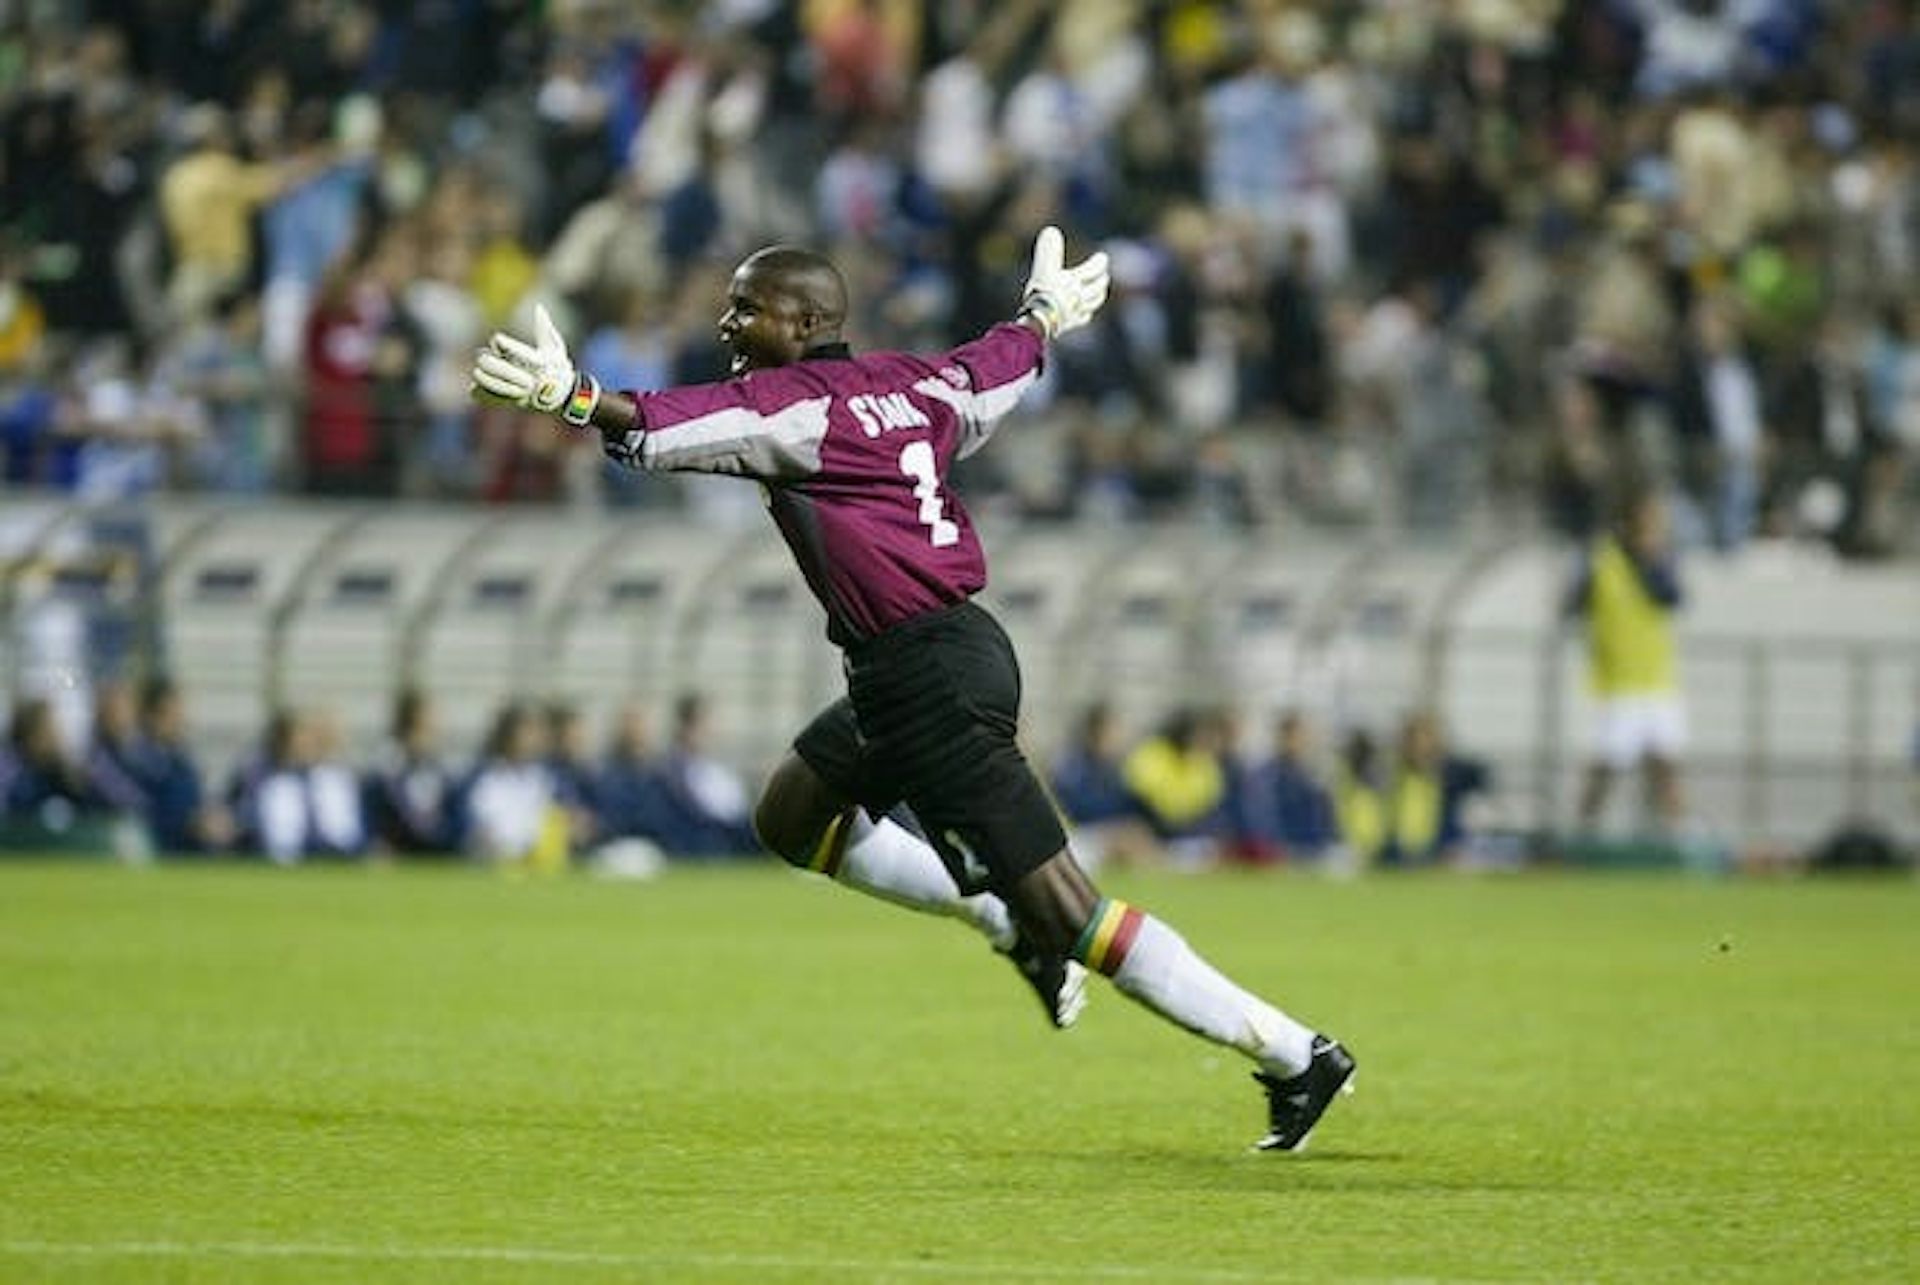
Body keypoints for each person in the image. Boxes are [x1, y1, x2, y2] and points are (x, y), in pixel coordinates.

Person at [470, 227, 1354, 1150]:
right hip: (941, 656)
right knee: (793, 814)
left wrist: (575, 398)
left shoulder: (796, 405)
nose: (727, 323)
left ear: (804, 323)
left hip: (925, 675)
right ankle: (1005, 921)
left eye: (746, 308)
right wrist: (1042, 317)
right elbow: (996, 369)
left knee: (1070, 911)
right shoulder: (914, 383)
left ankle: (1296, 1053)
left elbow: (680, 424)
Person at [1565, 491, 1686, 832]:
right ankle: (1585, 829)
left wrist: (1652, 561)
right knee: (1608, 764)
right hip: (1617, 682)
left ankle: (1674, 832)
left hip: (1658, 679)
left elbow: (1673, 598)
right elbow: (1573, 604)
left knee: (1666, 763)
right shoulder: (1601, 560)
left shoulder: (1661, 562)